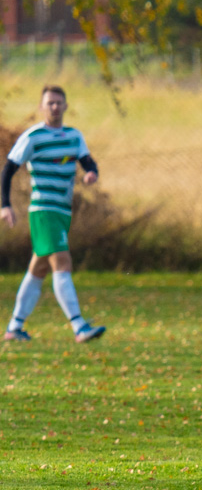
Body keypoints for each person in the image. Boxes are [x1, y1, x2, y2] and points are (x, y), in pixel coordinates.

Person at [1, 85, 106, 343]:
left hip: (62, 210)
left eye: (59, 103)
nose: (55, 107)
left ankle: (14, 327)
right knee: (62, 262)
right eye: (50, 103)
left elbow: (87, 161)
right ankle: (79, 326)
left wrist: (92, 173)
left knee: (38, 268)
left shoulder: (74, 136)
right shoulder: (33, 136)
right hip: (43, 210)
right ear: (42, 106)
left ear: (66, 106)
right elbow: (8, 170)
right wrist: (5, 204)